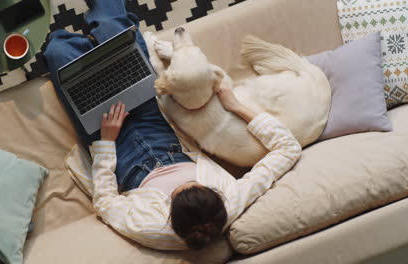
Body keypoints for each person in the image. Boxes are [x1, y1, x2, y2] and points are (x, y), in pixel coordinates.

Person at [44, 0, 302, 250]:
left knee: (57, 50)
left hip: (120, 154)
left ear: (171, 218)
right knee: (113, 30)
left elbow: (106, 204)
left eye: (178, 190)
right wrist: (236, 106)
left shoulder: (154, 228)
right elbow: (288, 149)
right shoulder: (230, 201)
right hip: (160, 131)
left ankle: (93, 46)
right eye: (197, 185)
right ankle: (105, 38)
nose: (185, 183)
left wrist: (108, 142)